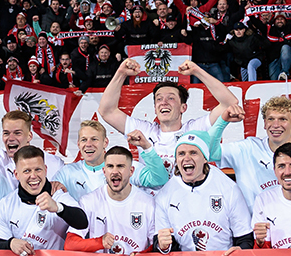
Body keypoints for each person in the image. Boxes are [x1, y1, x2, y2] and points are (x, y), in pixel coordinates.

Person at [97, 59, 238, 172]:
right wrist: (121, 73)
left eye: (171, 98)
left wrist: (197, 71)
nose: (163, 103)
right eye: (159, 99)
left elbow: (230, 104)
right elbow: (107, 111)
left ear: (183, 107)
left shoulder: (195, 129)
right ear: (154, 108)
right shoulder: (144, 130)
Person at [219, 95, 291, 207]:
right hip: (256, 224)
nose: (275, 125)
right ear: (264, 123)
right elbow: (209, 151)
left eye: (282, 119)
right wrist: (222, 121)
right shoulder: (247, 148)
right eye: (271, 119)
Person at [154, 131, 253, 252]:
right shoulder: (164, 195)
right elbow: (162, 243)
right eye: (181, 154)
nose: (187, 158)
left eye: (193, 153)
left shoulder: (228, 188)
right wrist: (163, 246)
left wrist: (240, 251)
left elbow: (245, 238)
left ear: (205, 158)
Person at [0, 146, 89, 254]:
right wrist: (10, 243)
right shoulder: (6, 203)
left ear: (46, 170)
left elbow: (83, 222)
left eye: (38, 169)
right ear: (16, 175)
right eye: (27, 171)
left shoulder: (58, 197)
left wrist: (58, 208)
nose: (33, 176)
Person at [64, 146, 160, 254]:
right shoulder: (88, 202)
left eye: (120, 166)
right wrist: (98, 242)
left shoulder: (148, 203)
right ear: (104, 171)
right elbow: (70, 244)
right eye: (110, 166)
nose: (115, 171)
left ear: (131, 171)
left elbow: (157, 246)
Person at [53, 120, 167, 202]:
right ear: (78, 144)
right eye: (84, 140)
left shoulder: (125, 166)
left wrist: (146, 147)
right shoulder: (66, 173)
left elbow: (160, 179)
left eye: (94, 139)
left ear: (105, 142)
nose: (88, 144)